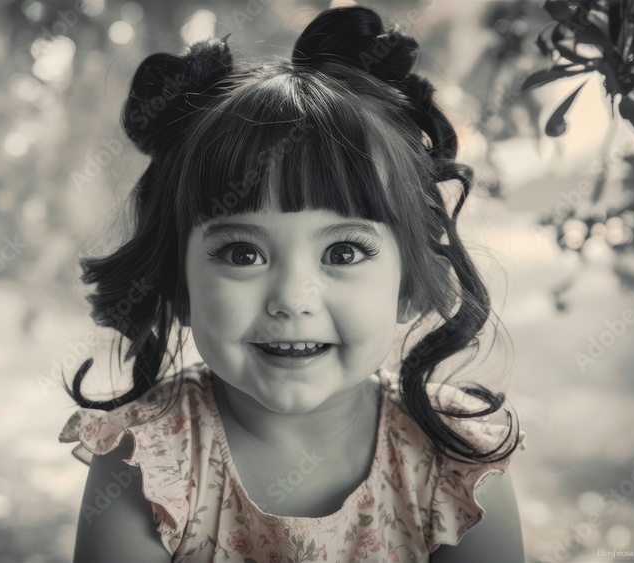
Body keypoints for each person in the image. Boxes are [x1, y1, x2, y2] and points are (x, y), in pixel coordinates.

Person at [59, 5, 526, 561]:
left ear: (409, 283)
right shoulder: (145, 464)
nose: (291, 299)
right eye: (242, 252)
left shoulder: (455, 465)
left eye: (344, 251)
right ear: (178, 283)